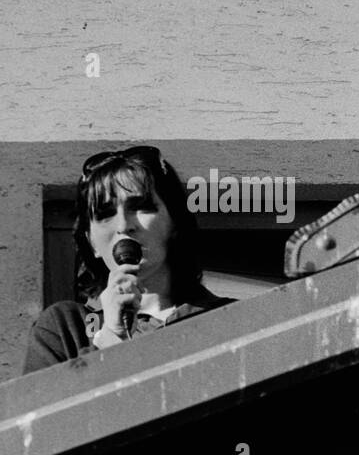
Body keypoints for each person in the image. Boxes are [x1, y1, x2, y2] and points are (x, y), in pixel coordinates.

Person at [23, 146, 234, 374]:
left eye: (140, 207)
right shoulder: (65, 328)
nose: (123, 226)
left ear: (175, 222)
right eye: (105, 214)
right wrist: (109, 337)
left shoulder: (231, 319)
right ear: (91, 242)